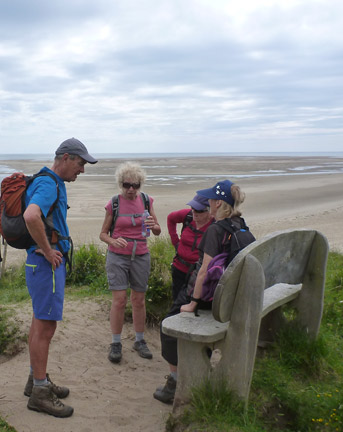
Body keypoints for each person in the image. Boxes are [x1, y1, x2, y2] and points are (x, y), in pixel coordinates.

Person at [154, 180, 248, 404]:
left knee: (168, 327)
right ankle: (197, 372)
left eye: (211, 201)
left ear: (217, 204)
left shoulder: (215, 230)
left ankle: (175, 383)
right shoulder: (240, 224)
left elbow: (204, 271)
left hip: (208, 298)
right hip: (229, 297)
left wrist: (193, 302)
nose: (208, 204)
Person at [23, 137, 98, 418]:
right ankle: (40, 392)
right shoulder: (49, 183)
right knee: (46, 328)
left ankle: (35, 380)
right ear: (65, 158)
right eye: (80, 163)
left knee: (39, 323)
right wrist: (47, 250)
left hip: (39, 265)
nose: (82, 169)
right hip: (45, 266)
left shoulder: (51, 182)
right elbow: (32, 216)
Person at [99, 162, 161, 364]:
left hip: (141, 255)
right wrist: (113, 240)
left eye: (135, 185)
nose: (131, 189)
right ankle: (116, 343)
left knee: (139, 300)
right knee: (119, 300)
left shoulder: (146, 200)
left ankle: (140, 340)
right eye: (127, 185)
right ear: (121, 184)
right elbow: (102, 234)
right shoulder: (114, 203)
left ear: (140, 185)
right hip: (117, 257)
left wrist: (155, 225)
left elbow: (158, 230)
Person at [166, 194, 214, 301]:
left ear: (209, 211)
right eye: (193, 208)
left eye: (199, 211)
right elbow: (170, 218)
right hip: (179, 268)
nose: (194, 213)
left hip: (198, 274)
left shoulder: (215, 226)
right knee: (177, 303)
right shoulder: (187, 216)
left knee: (194, 304)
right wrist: (175, 242)